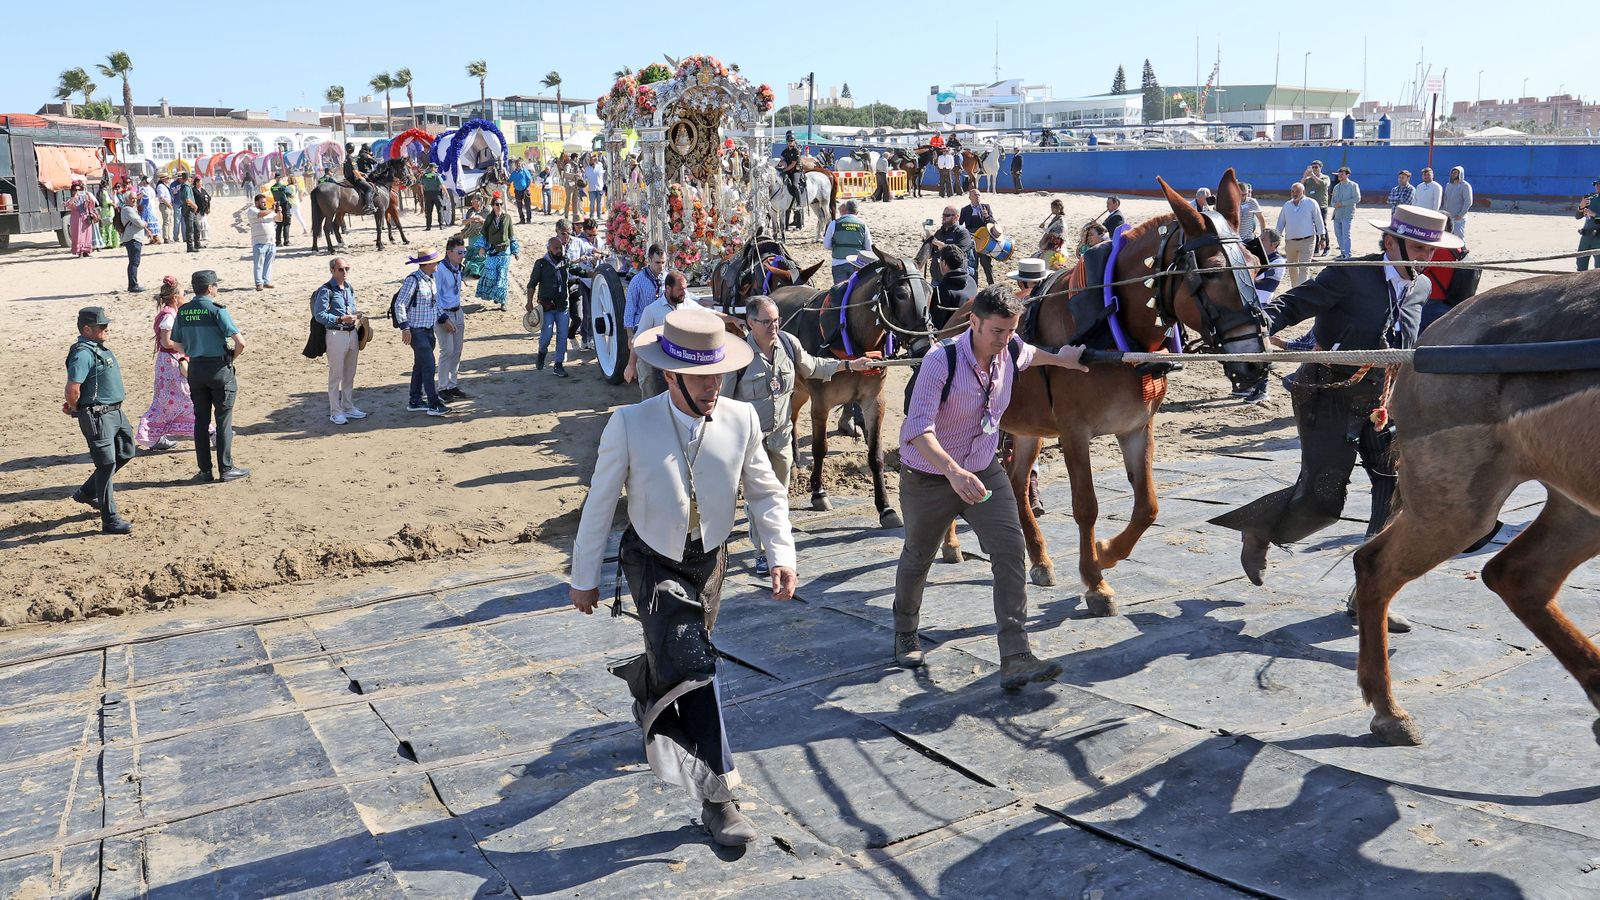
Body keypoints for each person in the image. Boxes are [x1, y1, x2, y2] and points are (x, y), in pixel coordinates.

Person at [569, 310, 796, 848]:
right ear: (671, 376)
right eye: (702, 378)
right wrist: (584, 576)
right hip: (650, 560)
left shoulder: (741, 419)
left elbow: (765, 493)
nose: (714, 387)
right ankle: (721, 799)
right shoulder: (629, 424)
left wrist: (781, 553)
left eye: (719, 375)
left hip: (710, 562)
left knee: (684, 661)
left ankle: (648, 680)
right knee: (697, 663)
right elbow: (599, 503)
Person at [1211, 205, 1460, 596]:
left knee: (1392, 489)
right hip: (1326, 393)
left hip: (1381, 404)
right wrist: (1252, 333)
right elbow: (1292, 304)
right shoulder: (1351, 274)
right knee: (1322, 498)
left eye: (1431, 252)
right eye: (1419, 249)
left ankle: (1370, 592)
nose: (1426, 260)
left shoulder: (1422, 288)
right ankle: (1258, 528)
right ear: (1391, 242)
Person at [895, 285, 1089, 684]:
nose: (1004, 341)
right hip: (930, 477)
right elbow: (917, 430)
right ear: (974, 322)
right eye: (996, 332)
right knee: (918, 557)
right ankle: (905, 632)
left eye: (1011, 331)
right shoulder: (940, 361)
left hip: (984, 471)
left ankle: (1016, 655)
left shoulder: (1011, 348)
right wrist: (952, 472)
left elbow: (1029, 353)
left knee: (1010, 551)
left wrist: (1063, 360)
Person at [724, 295, 869, 574]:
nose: (773, 326)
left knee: (778, 496)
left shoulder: (789, 344)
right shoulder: (740, 355)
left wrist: (850, 365)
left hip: (781, 438)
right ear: (751, 323)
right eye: (766, 321)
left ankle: (771, 543)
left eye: (776, 320)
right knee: (760, 499)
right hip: (751, 443)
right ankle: (764, 553)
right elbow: (724, 401)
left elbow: (813, 366)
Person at [170, 270, 249, 482]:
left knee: (200, 422)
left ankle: (205, 471)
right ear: (210, 288)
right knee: (223, 421)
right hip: (219, 369)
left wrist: (193, 349)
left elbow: (176, 343)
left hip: (196, 369)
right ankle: (226, 468)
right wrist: (232, 356)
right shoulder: (217, 310)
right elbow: (241, 342)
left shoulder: (184, 311)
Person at [63, 306, 136, 534]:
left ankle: (86, 492)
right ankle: (110, 519)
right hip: (98, 415)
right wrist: (76, 408)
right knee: (106, 465)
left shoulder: (97, 348)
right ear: (87, 329)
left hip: (115, 413)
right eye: (102, 326)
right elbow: (73, 389)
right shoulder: (82, 353)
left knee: (126, 451)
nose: (107, 329)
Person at [135, 277, 200, 451]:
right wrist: (187, 345)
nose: (185, 296)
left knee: (166, 400)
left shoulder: (170, 313)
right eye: (183, 293)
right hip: (171, 363)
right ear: (174, 297)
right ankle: (211, 433)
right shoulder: (169, 316)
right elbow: (166, 342)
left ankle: (154, 436)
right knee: (187, 397)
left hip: (169, 363)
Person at [394, 248, 450, 415]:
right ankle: (433, 403)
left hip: (428, 331)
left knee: (420, 366)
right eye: (435, 262)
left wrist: (444, 319)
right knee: (428, 366)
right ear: (427, 264)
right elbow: (400, 304)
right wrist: (405, 328)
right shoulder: (413, 280)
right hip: (416, 331)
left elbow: (434, 304)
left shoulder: (431, 279)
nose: (438, 264)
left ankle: (415, 399)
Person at [313, 257, 367, 425]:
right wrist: (340, 319)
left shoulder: (349, 288)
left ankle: (348, 407)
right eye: (341, 269)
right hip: (336, 334)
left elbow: (350, 307)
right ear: (332, 271)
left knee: (350, 374)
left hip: (351, 334)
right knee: (336, 375)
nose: (345, 273)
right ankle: (335, 411)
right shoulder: (326, 290)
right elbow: (319, 315)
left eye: (347, 269)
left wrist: (356, 315)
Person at [528, 236, 573, 377]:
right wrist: (529, 302)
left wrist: (590, 273)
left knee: (562, 336)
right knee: (546, 335)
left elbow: (576, 270)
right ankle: (542, 352)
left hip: (562, 306)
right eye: (556, 248)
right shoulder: (541, 264)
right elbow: (532, 284)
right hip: (547, 307)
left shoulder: (565, 262)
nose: (559, 251)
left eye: (561, 248)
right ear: (549, 249)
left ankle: (558, 364)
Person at [435, 238, 469, 401]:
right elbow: (435, 297)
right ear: (449, 252)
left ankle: (452, 385)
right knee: (446, 351)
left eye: (464, 252)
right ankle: (442, 388)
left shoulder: (457, 268)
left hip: (458, 311)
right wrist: (443, 318)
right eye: (459, 252)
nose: (462, 255)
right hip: (444, 315)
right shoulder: (440, 269)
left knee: (457, 350)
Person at [1275, 182, 1325, 290]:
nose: (1295, 194)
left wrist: (1322, 237)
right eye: (1293, 191)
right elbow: (1280, 223)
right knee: (1292, 268)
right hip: (1290, 241)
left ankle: (1302, 291)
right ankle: (1294, 289)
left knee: (1304, 267)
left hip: (1307, 240)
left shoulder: (1311, 203)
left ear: (1303, 192)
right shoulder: (1287, 205)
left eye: (1297, 191)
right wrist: (1275, 239)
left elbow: (1318, 220)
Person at [475, 195, 518, 309]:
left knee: (502, 276)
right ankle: (495, 295)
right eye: (497, 204)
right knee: (491, 275)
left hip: (505, 252)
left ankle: (503, 301)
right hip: (492, 251)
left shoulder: (507, 218)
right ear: (493, 206)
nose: (499, 206)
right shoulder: (489, 218)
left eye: (501, 204)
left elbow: (511, 235)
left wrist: (515, 250)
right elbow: (484, 234)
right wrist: (481, 248)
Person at [623, 244, 667, 353]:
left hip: (663, 328)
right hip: (642, 327)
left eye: (663, 262)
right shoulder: (637, 281)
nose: (661, 266)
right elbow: (630, 308)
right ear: (649, 260)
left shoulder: (668, 278)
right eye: (657, 262)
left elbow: (684, 296)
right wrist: (630, 336)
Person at [822, 200, 873, 283]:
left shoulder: (834, 224)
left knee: (839, 292)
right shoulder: (863, 225)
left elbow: (826, 245)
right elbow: (869, 248)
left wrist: (838, 247)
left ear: (846, 209)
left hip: (838, 262)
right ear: (857, 212)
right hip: (858, 264)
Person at [932, 244, 978, 329]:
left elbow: (936, 325)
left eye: (940, 261)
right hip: (970, 332)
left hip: (949, 338)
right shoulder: (972, 282)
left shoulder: (942, 290)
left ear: (944, 263)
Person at [959, 189, 998, 285]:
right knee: (973, 265)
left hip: (984, 240)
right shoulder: (965, 210)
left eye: (979, 195)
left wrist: (987, 217)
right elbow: (960, 225)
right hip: (972, 240)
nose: (977, 197)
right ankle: (974, 286)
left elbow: (993, 223)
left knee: (986, 264)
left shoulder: (986, 207)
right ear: (970, 197)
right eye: (975, 195)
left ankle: (991, 284)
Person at [118, 187, 149, 292]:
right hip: (132, 238)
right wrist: (144, 223)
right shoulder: (127, 209)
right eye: (132, 198)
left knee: (134, 262)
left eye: (135, 198)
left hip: (134, 238)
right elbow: (139, 222)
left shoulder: (131, 209)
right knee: (134, 262)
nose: (134, 200)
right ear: (127, 199)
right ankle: (133, 285)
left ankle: (133, 284)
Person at [1329, 166, 1361, 260]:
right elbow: (1332, 201)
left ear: (1347, 175)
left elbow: (1357, 198)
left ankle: (1347, 254)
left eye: (1342, 174)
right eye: (1339, 174)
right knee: (1338, 234)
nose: (1340, 176)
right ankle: (1342, 253)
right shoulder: (1336, 187)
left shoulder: (1353, 185)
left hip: (1347, 214)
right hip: (1337, 214)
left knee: (1346, 234)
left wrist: (1342, 204)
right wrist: (1334, 204)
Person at [1301, 161, 1331, 256]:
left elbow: (1323, 185)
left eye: (1316, 167)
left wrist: (1313, 176)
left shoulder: (1325, 177)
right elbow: (1300, 187)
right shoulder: (1309, 179)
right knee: (1311, 227)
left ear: (1320, 168)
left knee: (1322, 227)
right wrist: (1305, 176)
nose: (1314, 169)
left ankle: (1327, 248)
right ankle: (1316, 249)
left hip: (1321, 206)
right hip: (1309, 206)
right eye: (1312, 167)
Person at [248, 195, 276, 291]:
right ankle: (259, 283)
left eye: (265, 201)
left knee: (268, 264)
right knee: (259, 264)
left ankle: (266, 281)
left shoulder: (269, 211)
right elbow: (260, 214)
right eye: (262, 202)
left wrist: (279, 211)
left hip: (271, 242)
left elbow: (279, 219)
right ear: (256, 203)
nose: (264, 203)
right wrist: (272, 209)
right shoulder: (252, 210)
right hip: (259, 242)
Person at [67, 180, 97, 258]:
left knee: (87, 234)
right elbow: (69, 205)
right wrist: (75, 197)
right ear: (72, 190)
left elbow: (90, 206)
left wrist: (88, 199)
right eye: (75, 190)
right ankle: (79, 251)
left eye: (79, 190)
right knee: (78, 235)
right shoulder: (71, 198)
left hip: (85, 218)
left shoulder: (84, 197)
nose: (77, 191)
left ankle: (86, 251)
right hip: (76, 219)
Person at [1442, 166, 1473, 239]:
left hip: (1459, 218)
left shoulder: (1465, 186)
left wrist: (1461, 215)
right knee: (1448, 237)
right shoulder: (1448, 185)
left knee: (1459, 237)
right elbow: (1445, 199)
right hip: (1448, 217)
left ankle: (1463, 250)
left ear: (1460, 174)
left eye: (1455, 173)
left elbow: (1468, 202)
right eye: (1452, 173)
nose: (1453, 174)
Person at [343, 144, 374, 214]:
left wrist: (362, 173)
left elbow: (352, 170)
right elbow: (354, 171)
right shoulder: (352, 159)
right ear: (353, 149)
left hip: (347, 178)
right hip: (353, 179)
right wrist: (361, 178)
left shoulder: (346, 158)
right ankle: (368, 206)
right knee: (369, 188)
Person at [1577, 179, 1600, 272]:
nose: (1598, 187)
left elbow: (1593, 216)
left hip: (1599, 238)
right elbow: (1577, 216)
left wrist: (1594, 215)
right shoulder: (1590, 198)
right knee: (1581, 264)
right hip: (1586, 236)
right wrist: (1580, 207)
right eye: (1597, 184)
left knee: (1598, 268)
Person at [174, 172, 199, 253]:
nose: (191, 179)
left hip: (189, 209)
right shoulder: (186, 187)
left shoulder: (186, 186)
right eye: (190, 177)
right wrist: (195, 206)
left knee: (196, 227)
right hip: (188, 209)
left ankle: (197, 244)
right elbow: (187, 200)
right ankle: (190, 246)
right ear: (188, 178)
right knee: (190, 228)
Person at [270, 176, 294, 247]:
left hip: (277, 204)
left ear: (275, 178)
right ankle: (286, 241)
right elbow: (290, 194)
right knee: (286, 223)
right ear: (280, 179)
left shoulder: (272, 187)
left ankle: (278, 241)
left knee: (279, 223)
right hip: (285, 205)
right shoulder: (283, 187)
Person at [421, 164, 443, 230]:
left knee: (429, 211)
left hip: (427, 195)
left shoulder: (424, 176)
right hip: (436, 194)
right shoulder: (436, 175)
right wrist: (446, 193)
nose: (436, 169)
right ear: (432, 168)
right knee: (439, 210)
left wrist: (423, 194)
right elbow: (441, 185)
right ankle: (441, 225)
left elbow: (422, 186)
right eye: (436, 167)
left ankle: (428, 226)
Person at [191, 175, 211, 247]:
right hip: (197, 210)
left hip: (204, 209)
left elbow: (208, 198)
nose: (200, 183)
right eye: (199, 182)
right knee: (198, 223)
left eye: (201, 182)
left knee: (204, 223)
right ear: (196, 182)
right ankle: (197, 237)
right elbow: (193, 200)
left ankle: (205, 236)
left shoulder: (203, 190)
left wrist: (208, 207)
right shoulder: (193, 190)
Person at [584, 155, 605, 219]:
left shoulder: (600, 167)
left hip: (599, 188)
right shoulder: (587, 168)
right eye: (592, 160)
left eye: (594, 160)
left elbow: (603, 176)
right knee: (592, 203)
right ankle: (591, 215)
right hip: (591, 188)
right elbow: (585, 177)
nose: (593, 161)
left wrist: (604, 187)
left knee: (599, 203)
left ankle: (599, 215)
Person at [155, 175, 174, 245]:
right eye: (168, 178)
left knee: (169, 221)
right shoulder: (160, 186)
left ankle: (168, 237)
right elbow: (161, 197)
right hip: (165, 205)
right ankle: (166, 238)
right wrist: (168, 204)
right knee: (166, 222)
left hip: (168, 205)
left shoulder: (165, 186)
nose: (169, 179)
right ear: (164, 179)